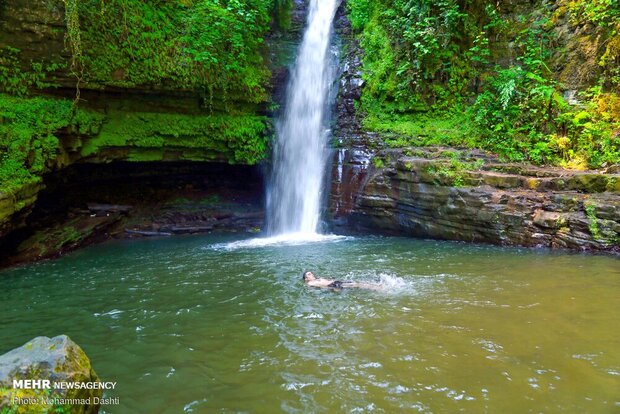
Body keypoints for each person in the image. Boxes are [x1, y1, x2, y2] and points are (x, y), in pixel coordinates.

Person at [302, 271, 383, 291]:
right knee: (356, 284)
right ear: (306, 279)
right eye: (309, 274)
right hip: (333, 285)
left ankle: (376, 286)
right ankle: (378, 288)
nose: (311, 274)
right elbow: (321, 286)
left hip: (336, 282)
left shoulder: (318, 279)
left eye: (311, 273)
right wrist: (333, 288)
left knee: (356, 283)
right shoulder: (310, 283)